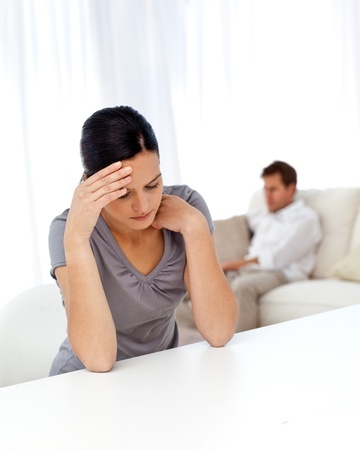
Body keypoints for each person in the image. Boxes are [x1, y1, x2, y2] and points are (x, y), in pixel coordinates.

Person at [48, 105, 238, 375]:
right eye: (124, 194)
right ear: (90, 185)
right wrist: (77, 239)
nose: (143, 206)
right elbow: (99, 359)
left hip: (159, 376)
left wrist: (195, 227)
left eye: (153, 185)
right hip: (85, 382)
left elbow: (220, 332)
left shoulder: (187, 208)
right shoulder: (69, 230)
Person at [221, 160, 322, 332]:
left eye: (273, 189)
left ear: (291, 189)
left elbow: (276, 260)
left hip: (282, 273)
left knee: (243, 286)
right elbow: (240, 222)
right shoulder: (265, 213)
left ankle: (238, 345)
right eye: (265, 189)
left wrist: (231, 265)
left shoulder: (305, 219)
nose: (267, 196)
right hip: (252, 269)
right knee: (202, 282)